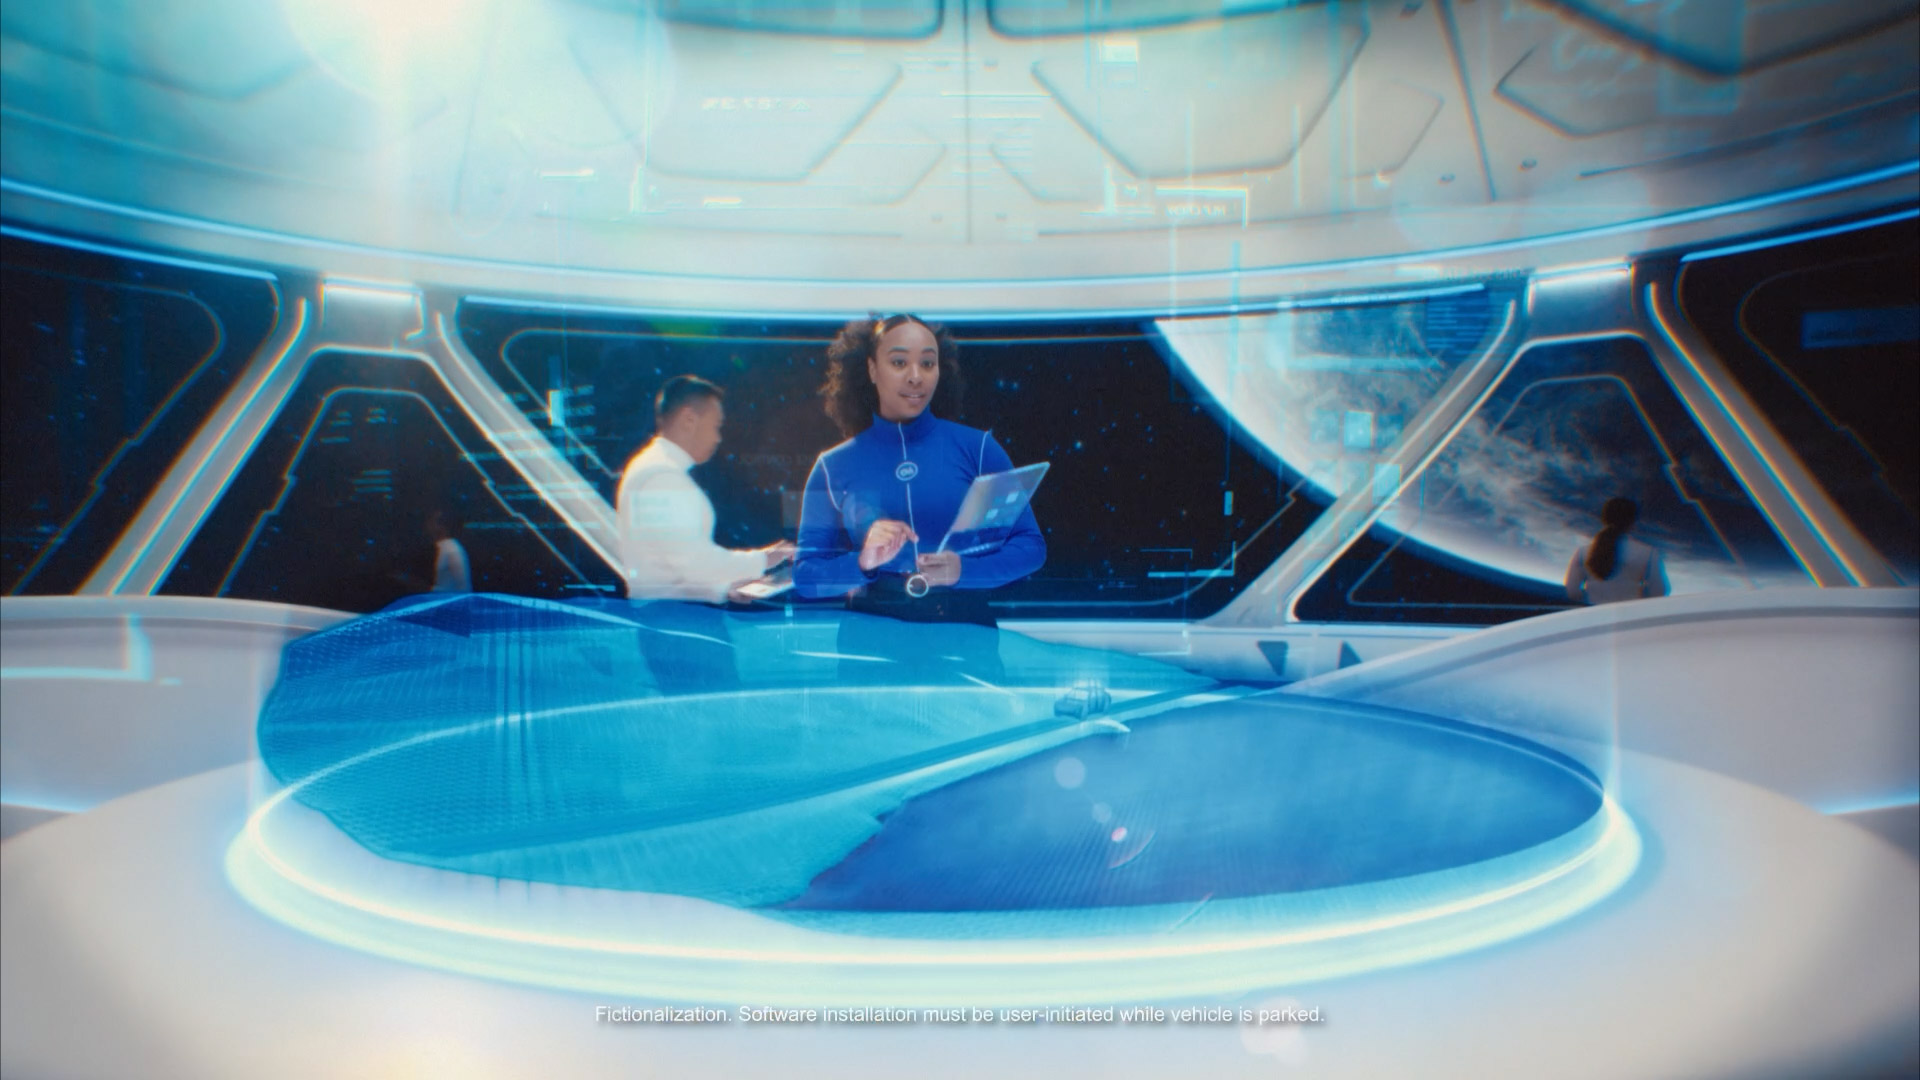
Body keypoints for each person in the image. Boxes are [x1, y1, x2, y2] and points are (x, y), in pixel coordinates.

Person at [792, 314, 1044, 627]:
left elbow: (1030, 547)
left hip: (964, 631)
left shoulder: (978, 449)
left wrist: (964, 571)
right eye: (899, 362)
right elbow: (805, 577)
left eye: (927, 363)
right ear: (872, 369)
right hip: (870, 632)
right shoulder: (832, 466)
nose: (916, 377)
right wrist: (862, 563)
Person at [617, 375, 794, 603]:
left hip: (669, 615)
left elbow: (672, 570)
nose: (718, 438)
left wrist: (721, 590)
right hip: (672, 618)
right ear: (688, 420)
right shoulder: (662, 477)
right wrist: (764, 559)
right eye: (715, 427)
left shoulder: (654, 469)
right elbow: (694, 564)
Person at [1565, 497, 1669, 605]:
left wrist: (1592, 597)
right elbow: (1658, 592)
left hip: (1596, 613)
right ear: (1632, 522)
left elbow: (1572, 591)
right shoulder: (1648, 553)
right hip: (1631, 612)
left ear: (1604, 519)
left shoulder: (1582, 553)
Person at [426, 510, 472, 593]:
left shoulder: (453, 550)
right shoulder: (436, 547)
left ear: (442, 526)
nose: (428, 525)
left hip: (448, 599)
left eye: (432, 522)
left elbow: (464, 587)